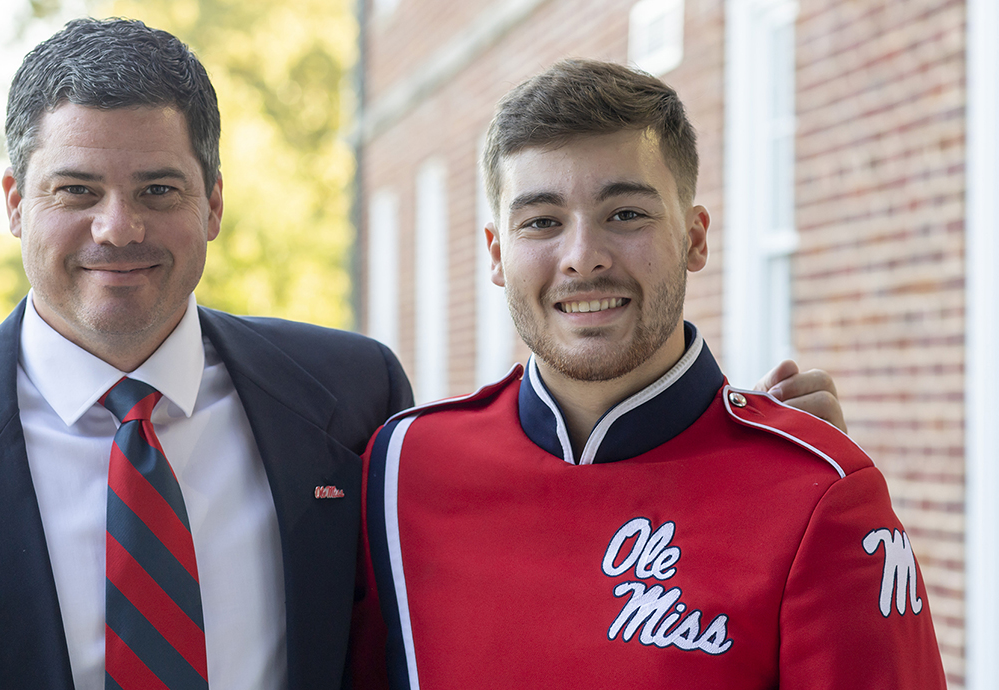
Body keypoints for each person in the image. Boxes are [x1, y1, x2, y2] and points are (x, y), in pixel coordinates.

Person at [0, 18, 843, 690]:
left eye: (157, 190)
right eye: (73, 191)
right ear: (12, 202)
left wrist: (738, 457)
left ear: (215, 203)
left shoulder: (348, 398)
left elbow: (522, 528)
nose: (117, 230)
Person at [354, 59, 945, 689]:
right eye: (541, 222)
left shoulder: (819, 492)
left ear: (694, 238)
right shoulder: (402, 466)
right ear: (498, 253)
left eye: (626, 214)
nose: (583, 258)